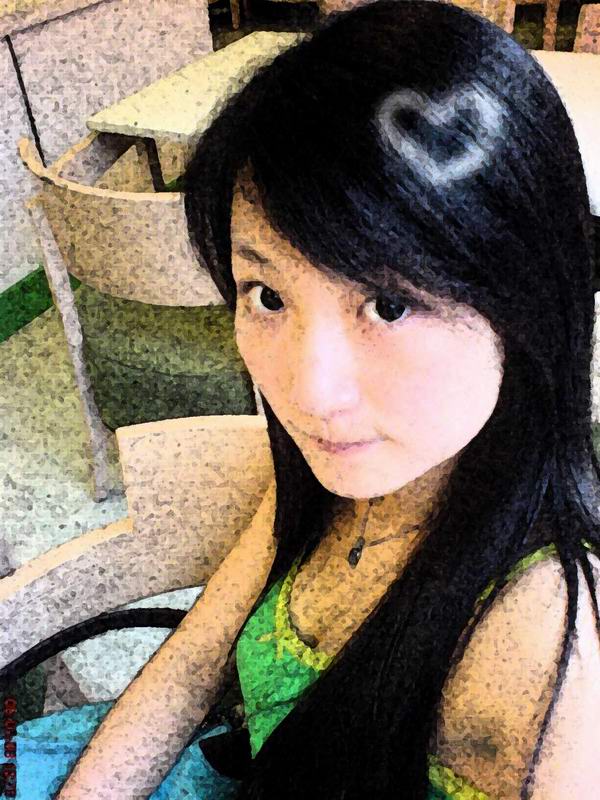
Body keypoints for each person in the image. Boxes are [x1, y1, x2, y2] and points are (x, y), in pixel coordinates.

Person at [5, 1, 600, 798]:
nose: (307, 393)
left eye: (389, 304)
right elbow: (193, 664)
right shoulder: (341, 480)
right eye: (267, 295)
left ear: (528, 302)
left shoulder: (546, 650)